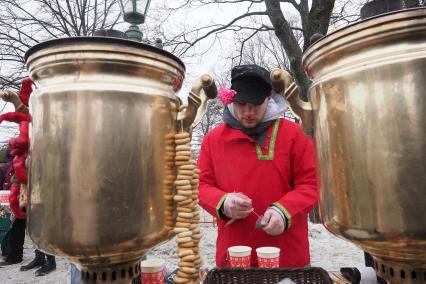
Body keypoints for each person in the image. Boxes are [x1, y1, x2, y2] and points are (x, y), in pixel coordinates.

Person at [197, 64, 318, 268]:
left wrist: (283, 212)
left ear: (268, 99)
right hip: (233, 256)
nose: (249, 111)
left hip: (288, 256)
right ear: (231, 100)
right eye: (242, 103)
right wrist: (223, 202)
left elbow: (312, 185)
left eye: (256, 103)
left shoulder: (294, 134)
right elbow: (199, 185)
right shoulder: (213, 139)